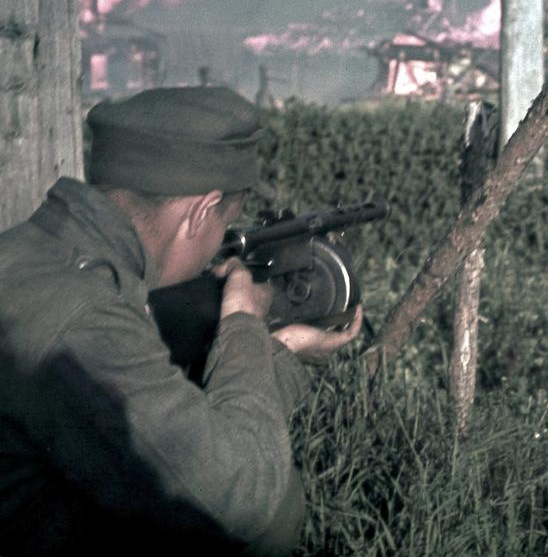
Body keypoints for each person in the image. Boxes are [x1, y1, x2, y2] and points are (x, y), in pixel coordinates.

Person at [0, 86, 363, 555]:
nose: (218, 249)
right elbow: (243, 500)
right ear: (200, 211)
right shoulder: (87, 318)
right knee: (276, 511)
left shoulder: (32, 252)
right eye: (225, 224)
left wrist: (279, 349)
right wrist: (243, 324)